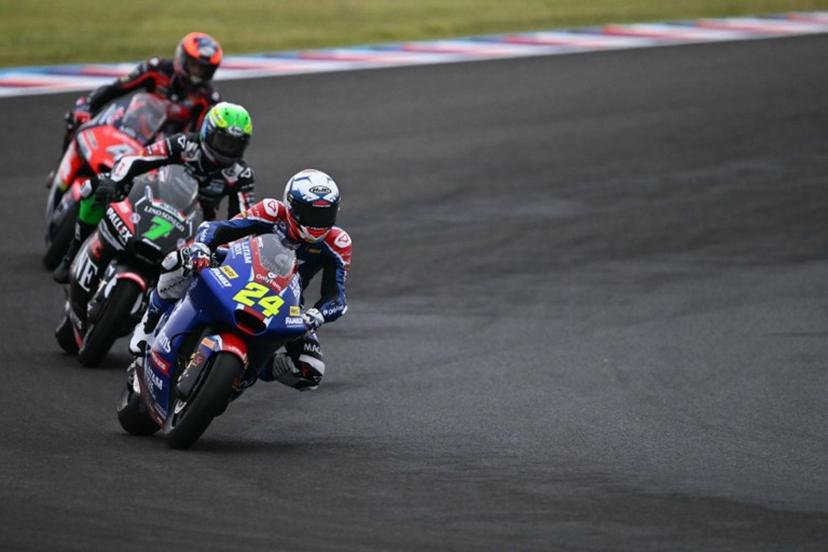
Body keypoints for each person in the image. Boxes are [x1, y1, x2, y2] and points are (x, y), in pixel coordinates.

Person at [129, 168, 352, 391]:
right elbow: (217, 229)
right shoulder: (272, 210)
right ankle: (149, 325)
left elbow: (337, 297)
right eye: (311, 214)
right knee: (176, 261)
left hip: (283, 300)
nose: (318, 223)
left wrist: (317, 315)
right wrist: (201, 248)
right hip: (236, 269)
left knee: (311, 370)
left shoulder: (337, 243)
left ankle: (250, 368)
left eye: (326, 215)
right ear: (291, 206)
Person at [52, 101, 255, 284]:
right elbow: (139, 158)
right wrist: (114, 181)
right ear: (207, 132)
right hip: (154, 196)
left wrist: (229, 248)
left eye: (234, 145)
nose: (227, 149)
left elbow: (243, 219)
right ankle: (72, 254)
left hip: (196, 223)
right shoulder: (184, 144)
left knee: (202, 272)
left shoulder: (241, 174)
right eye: (223, 141)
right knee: (94, 187)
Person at [62, 32, 223, 150]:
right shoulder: (157, 68)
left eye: (203, 69)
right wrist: (88, 105)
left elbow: (200, 135)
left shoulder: (209, 98)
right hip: (132, 128)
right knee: (75, 121)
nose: (197, 73)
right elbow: (116, 88)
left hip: (166, 147)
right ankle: (59, 171)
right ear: (183, 58)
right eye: (194, 65)